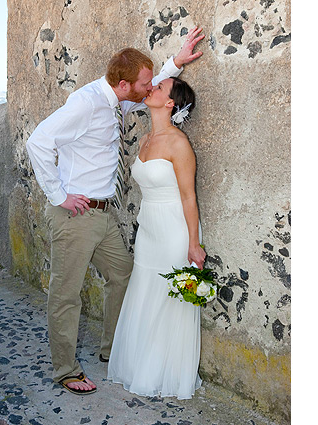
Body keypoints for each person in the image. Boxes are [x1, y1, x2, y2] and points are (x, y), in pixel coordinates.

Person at [25, 28, 205, 395]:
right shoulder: (87, 102)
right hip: (76, 214)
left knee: (122, 275)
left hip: (103, 215)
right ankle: (66, 370)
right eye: (145, 83)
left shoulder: (117, 98)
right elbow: (38, 142)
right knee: (66, 293)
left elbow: (156, 91)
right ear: (125, 86)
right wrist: (58, 195)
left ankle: (113, 349)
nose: (150, 86)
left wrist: (177, 61)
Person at [107, 77, 206, 400]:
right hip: (148, 226)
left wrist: (194, 244)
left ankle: (163, 373)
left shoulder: (179, 144)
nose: (151, 89)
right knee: (145, 291)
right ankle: (139, 366)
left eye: (159, 88)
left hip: (174, 227)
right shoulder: (147, 138)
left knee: (169, 299)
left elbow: (189, 197)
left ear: (170, 104)